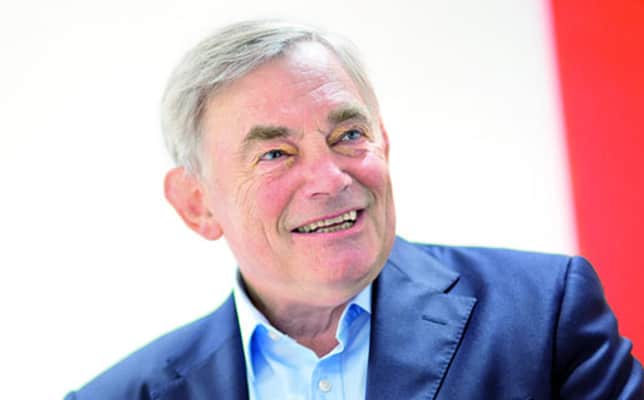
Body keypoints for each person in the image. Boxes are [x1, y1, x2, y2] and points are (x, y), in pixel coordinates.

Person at [65, 20, 643, 399]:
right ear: (197, 205)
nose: (330, 178)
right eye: (275, 153)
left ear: (383, 143)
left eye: (347, 135)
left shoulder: (543, 313)